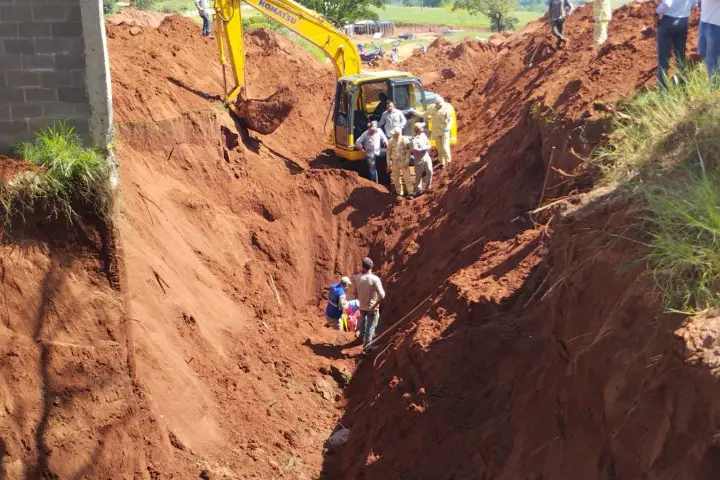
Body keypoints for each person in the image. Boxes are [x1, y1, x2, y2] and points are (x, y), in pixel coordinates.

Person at [656, 0, 696, 86]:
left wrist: (656, 12)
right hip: (683, 22)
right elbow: (694, 4)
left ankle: (663, 89)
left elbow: (667, 3)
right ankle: (683, 83)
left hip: (668, 22)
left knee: (663, 57)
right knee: (680, 55)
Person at [410, 96, 454, 169]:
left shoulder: (446, 109)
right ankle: (442, 162)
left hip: (444, 131)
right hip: (436, 131)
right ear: (435, 103)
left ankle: (449, 162)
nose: (439, 105)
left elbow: (450, 120)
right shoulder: (431, 108)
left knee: (445, 147)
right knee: (439, 149)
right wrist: (414, 112)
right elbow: (423, 114)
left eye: (440, 104)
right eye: (438, 104)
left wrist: (448, 127)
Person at [354, 257, 385, 354]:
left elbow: (355, 292)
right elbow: (382, 295)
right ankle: (367, 348)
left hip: (362, 306)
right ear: (371, 267)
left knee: (362, 322)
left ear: (363, 267)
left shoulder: (358, 277)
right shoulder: (375, 279)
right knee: (370, 327)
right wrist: (376, 303)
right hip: (372, 307)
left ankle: (360, 337)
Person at [387, 127, 413, 197]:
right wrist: (388, 162)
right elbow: (388, 153)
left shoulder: (405, 140)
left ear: (398, 134)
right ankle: (399, 192)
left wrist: (407, 160)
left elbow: (408, 151)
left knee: (407, 177)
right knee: (396, 177)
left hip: (403, 161)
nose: (392, 134)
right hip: (395, 161)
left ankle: (410, 192)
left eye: (393, 133)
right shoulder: (390, 141)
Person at [411, 123, 433, 198]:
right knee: (418, 175)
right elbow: (415, 148)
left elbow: (429, 144)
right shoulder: (414, 138)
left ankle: (428, 186)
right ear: (418, 129)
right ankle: (418, 190)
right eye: (421, 127)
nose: (423, 128)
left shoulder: (424, 135)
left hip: (426, 156)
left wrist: (427, 147)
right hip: (418, 159)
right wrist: (423, 149)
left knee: (430, 170)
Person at [698, 0, 720, 76]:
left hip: (716, 24)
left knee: (713, 57)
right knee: (702, 51)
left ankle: (714, 84)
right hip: (704, 21)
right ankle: (711, 78)